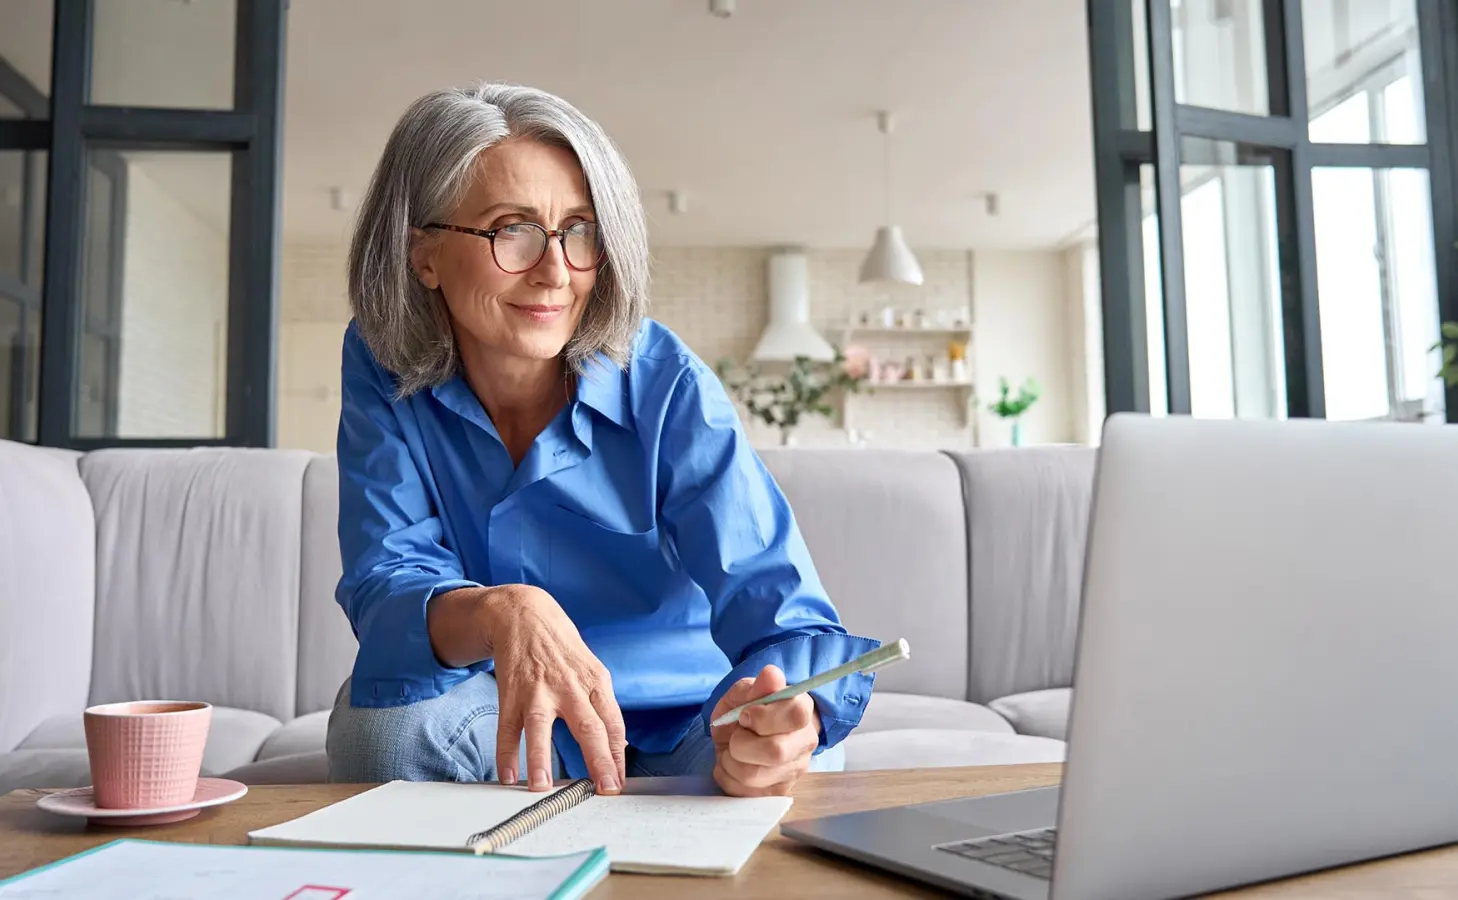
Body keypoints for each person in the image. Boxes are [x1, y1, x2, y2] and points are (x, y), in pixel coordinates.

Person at [325, 82, 879, 798]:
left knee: (797, 766)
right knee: (384, 734)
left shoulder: (666, 380)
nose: (556, 271)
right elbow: (386, 581)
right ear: (423, 254)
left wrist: (786, 716)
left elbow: (780, 610)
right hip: (502, 719)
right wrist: (502, 610)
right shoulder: (380, 362)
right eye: (511, 230)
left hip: (687, 725)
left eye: (579, 230)